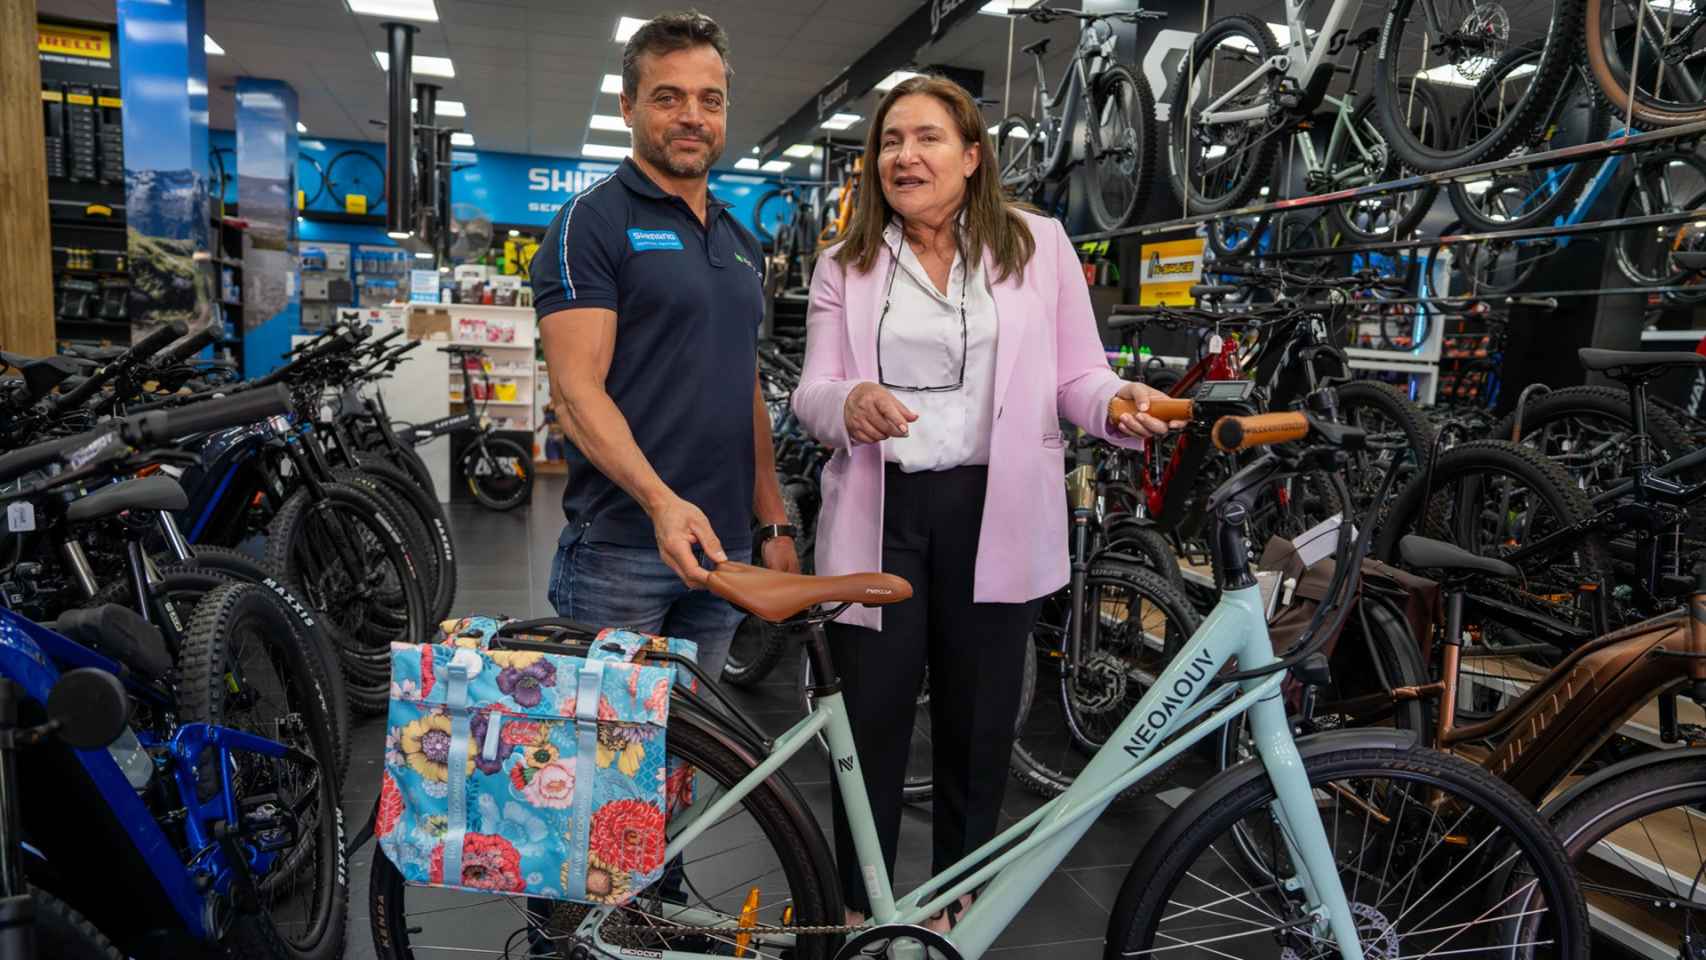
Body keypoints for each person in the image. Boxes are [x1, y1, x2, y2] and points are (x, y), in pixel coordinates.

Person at [790, 74, 1182, 929]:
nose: (905, 155)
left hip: (995, 508)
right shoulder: (845, 263)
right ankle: (862, 910)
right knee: (873, 722)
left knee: (979, 727)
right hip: (881, 513)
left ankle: (955, 906)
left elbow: (1077, 373)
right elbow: (811, 392)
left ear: (972, 157)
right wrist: (848, 400)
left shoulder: (1038, 247)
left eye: (927, 138)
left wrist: (1114, 403)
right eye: (891, 142)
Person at [533, 10, 798, 680]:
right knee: (605, 768)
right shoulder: (590, 224)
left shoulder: (742, 244)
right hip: (623, 550)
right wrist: (660, 502)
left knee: (692, 763)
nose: (691, 116)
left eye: (709, 100)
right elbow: (575, 391)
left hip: (725, 551)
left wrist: (772, 521)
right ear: (628, 107)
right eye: (668, 97)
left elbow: (746, 390)